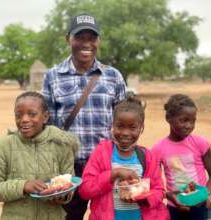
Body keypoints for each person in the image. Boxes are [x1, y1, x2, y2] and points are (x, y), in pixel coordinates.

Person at [42, 13, 126, 219]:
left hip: (106, 167)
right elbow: (46, 129)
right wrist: (51, 171)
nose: (86, 43)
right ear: (68, 38)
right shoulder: (53, 76)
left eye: (92, 38)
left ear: (99, 41)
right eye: (80, 37)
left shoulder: (113, 76)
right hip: (68, 168)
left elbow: (125, 125)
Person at [0, 91, 80, 220]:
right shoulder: (3, 146)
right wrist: (23, 186)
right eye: (18, 115)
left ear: (45, 117)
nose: (24, 120)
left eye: (32, 114)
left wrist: (63, 196)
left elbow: (69, 182)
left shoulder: (62, 144)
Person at [79, 96, 169, 220]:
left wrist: (141, 196)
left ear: (141, 128)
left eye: (132, 128)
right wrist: (114, 173)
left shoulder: (148, 157)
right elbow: (85, 190)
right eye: (120, 126)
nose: (125, 133)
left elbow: (159, 190)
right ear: (112, 126)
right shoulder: (101, 152)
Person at [152, 94, 211, 220]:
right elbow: (155, 183)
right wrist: (170, 196)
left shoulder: (200, 143)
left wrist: (205, 195)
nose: (188, 125)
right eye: (183, 120)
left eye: (193, 121)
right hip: (175, 207)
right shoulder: (158, 149)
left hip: (201, 206)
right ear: (168, 118)